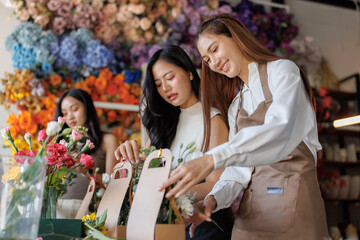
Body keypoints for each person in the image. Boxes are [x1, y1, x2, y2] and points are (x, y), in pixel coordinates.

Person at [160, 14, 329, 239]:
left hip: (294, 205)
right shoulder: (236, 107)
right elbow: (239, 171)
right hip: (253, 212)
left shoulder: (283, 71)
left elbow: (279, 129)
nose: (213, 62)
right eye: (207, 60)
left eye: (214, 49)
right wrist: (213, 200)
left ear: (235, 37)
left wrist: (211, 159)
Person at [114, 45, 234, 239]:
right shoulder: (162, 125)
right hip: (166, 226)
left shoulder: (213, 120)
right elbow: (142, 171)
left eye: (170, 78)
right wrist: (129, 154)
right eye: (158, 84)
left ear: (189, 73)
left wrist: (169, 195)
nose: (165, 88)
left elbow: (217, 184)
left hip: (204, 226)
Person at [54, 88, 118, 218]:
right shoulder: (61, 144)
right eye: (64, 113)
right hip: (59, 208)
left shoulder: (108, 140)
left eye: (75, 109)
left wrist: (88, 173)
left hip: (90, 209)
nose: (70, 117)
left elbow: (114, 184)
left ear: (87, 107)